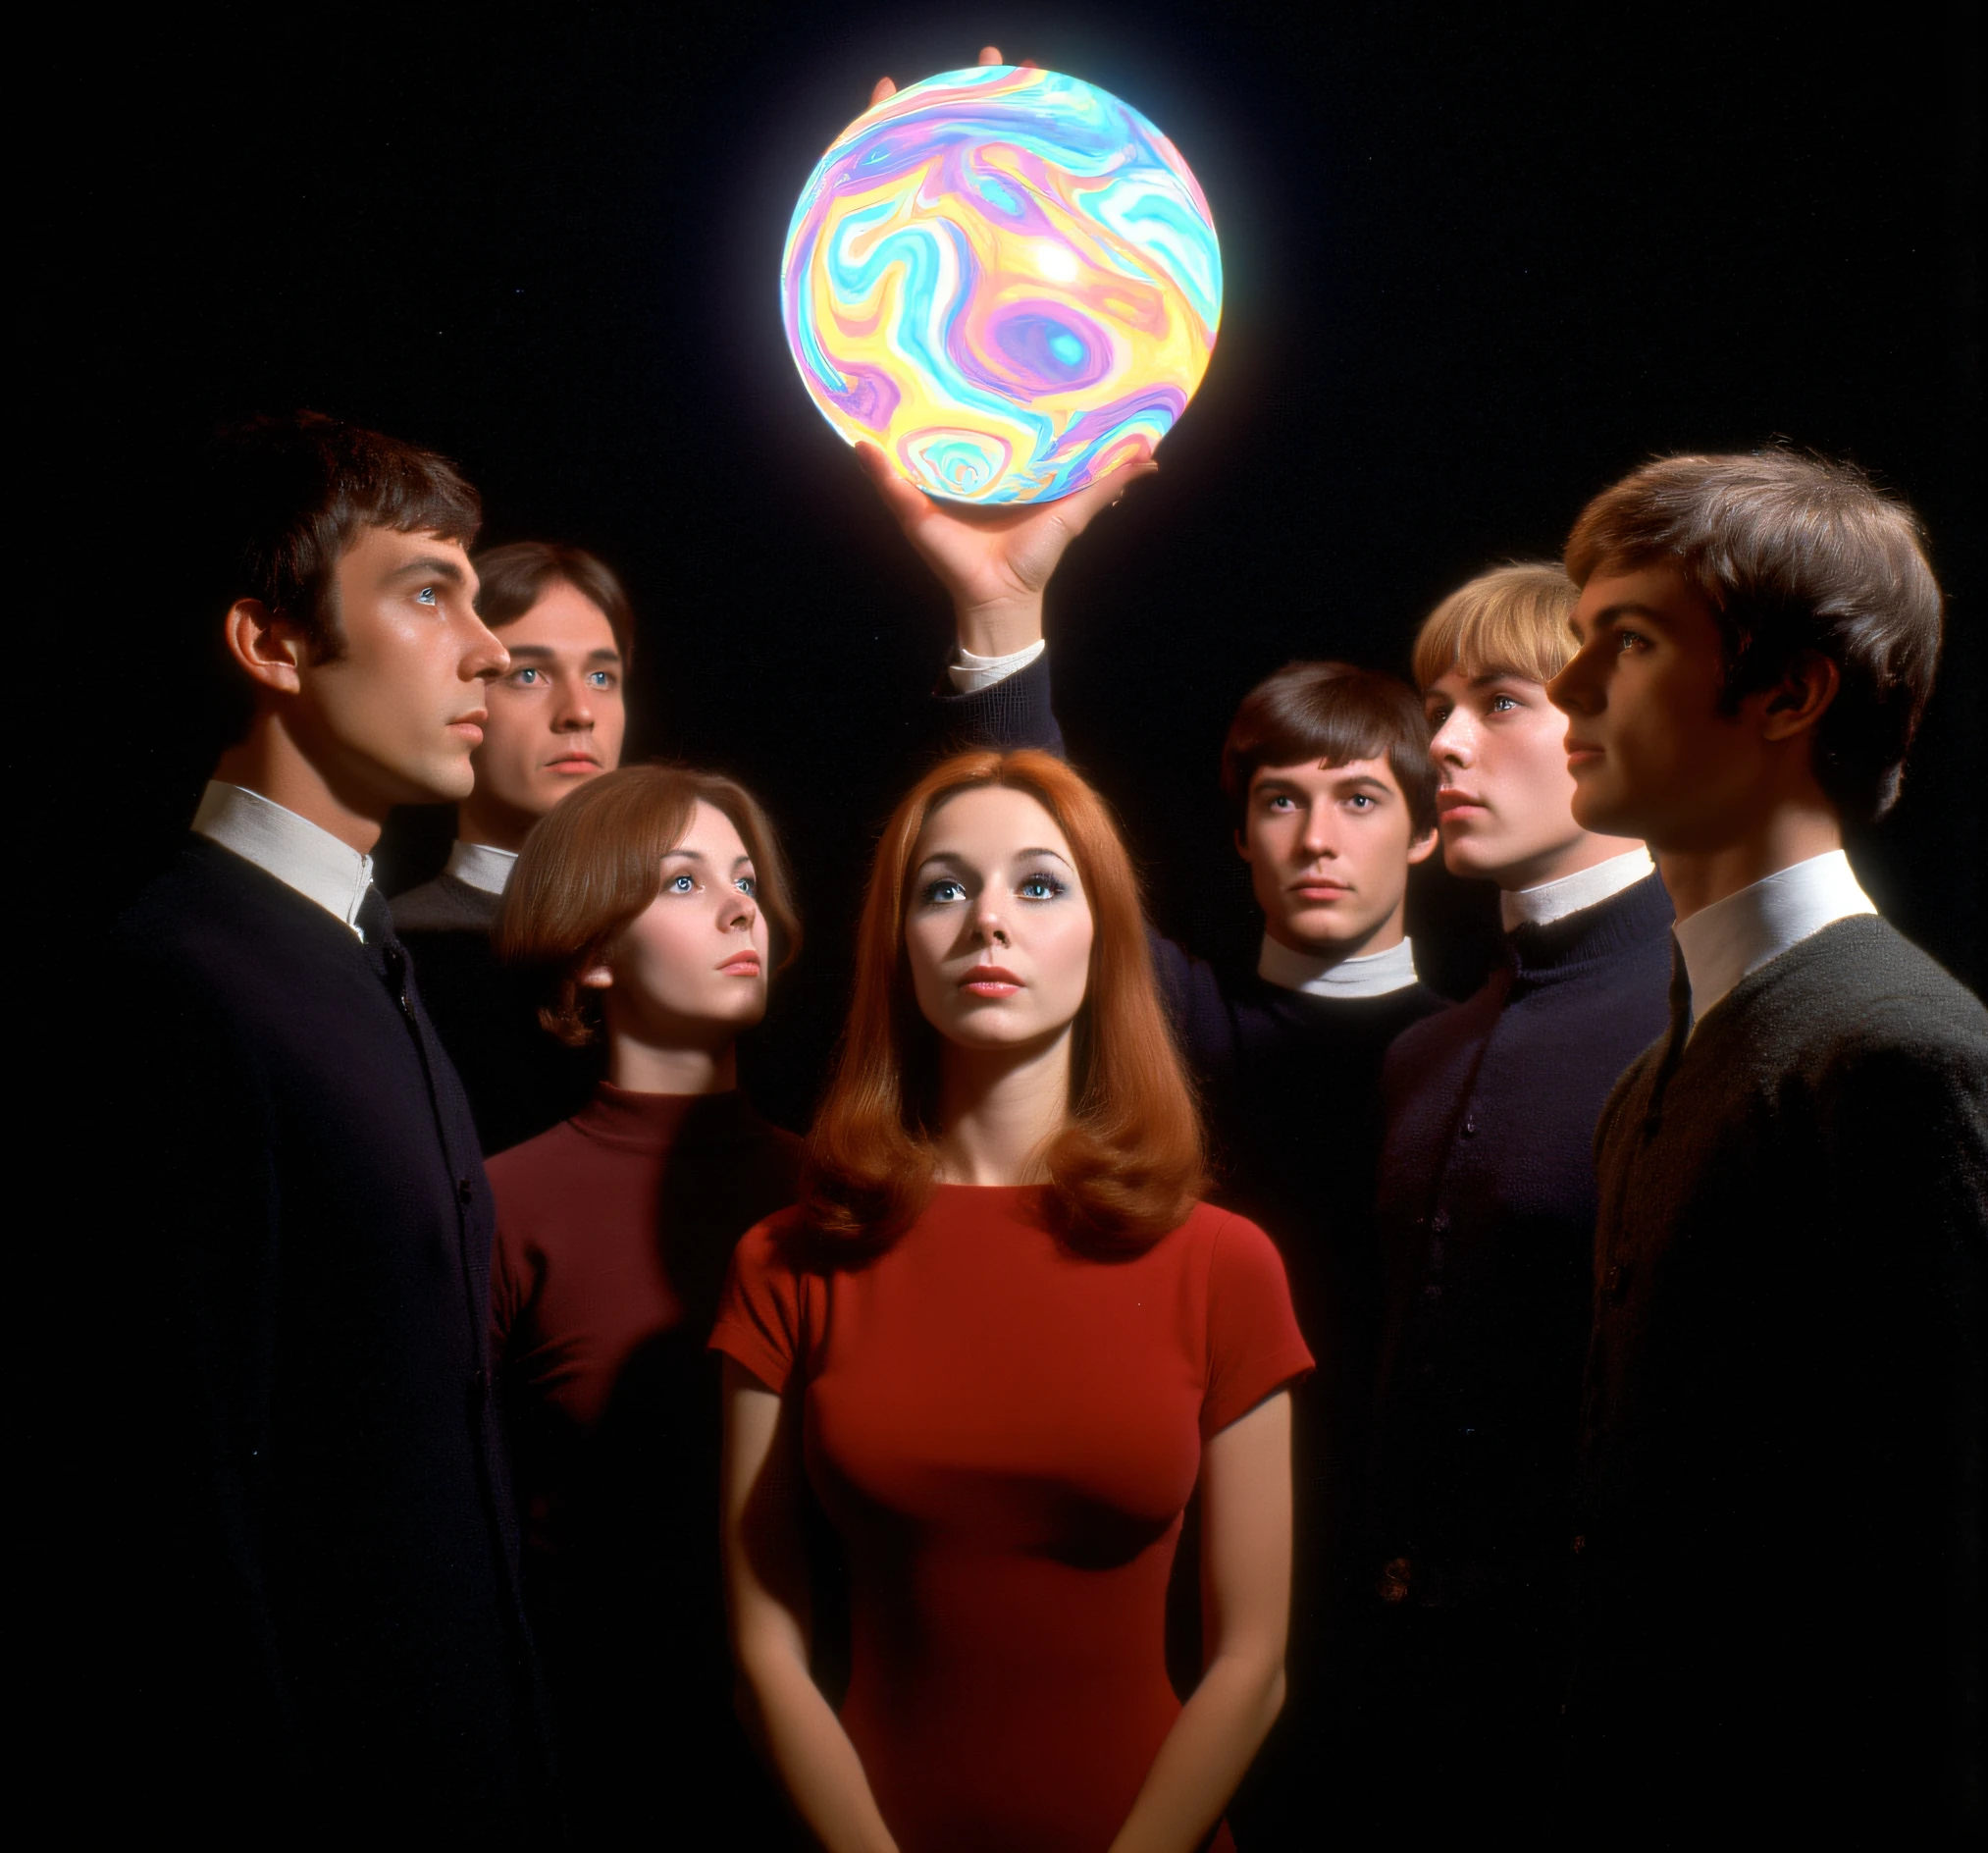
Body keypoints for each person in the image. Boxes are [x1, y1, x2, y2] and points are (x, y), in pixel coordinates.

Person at [712, 749, 1311, 1853]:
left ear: (1103, 935)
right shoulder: (786, 1261)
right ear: (896, 942)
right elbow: (763, 1649)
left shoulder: (1223, 1263)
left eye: (1038, 884)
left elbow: (1252, 1662)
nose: (987, 920)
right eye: (943, 887)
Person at [1548, 448, 1988, 1843]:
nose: (1571, 691)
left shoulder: (1899, 1058)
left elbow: (1951, 1601)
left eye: (1624, 643)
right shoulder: (1648, 1083)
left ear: (1791, 693)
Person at [106, 411, 554, 1843]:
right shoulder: (177, 981)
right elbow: (179, 1510)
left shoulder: (363, 956)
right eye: (431, 592)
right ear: (275, 644)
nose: (489, 648)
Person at [1341, 560, 1674, 1839]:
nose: (1446, 746)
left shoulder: (1706, 1019)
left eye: (1500, 700)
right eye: (1436, 709)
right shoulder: (1421, 1056)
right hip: (1404, 1741)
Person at [486, 764, 806, 1845]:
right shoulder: (498, 1205)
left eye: (745, 878)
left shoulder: (848, 1193)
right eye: (681, 882)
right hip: (598, 1770)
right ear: (590, 952)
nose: (736, 906)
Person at [394, 540, 635, 1149]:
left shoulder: (687, 927)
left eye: (603, 677)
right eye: (529, 674)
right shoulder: (391, 948)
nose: (580, 712)